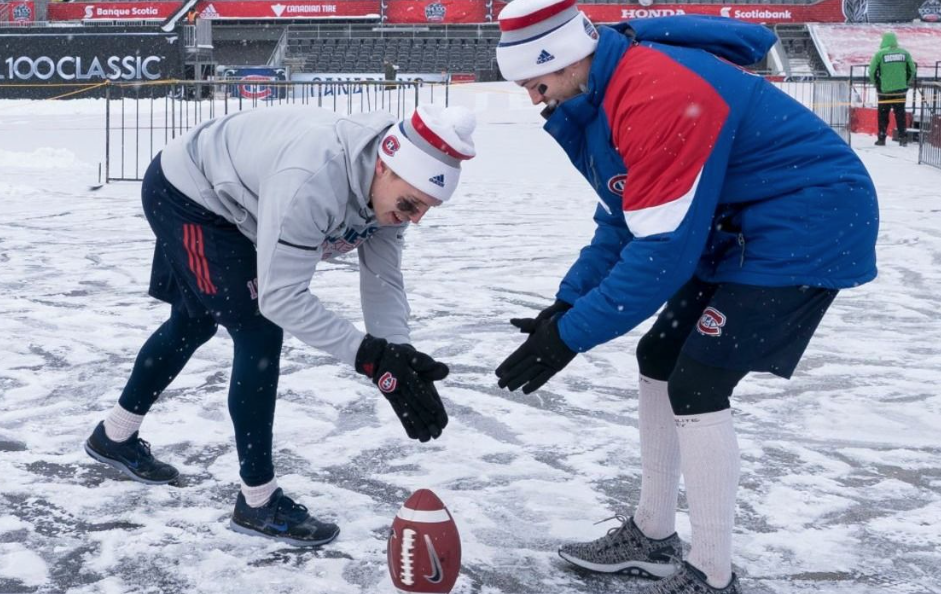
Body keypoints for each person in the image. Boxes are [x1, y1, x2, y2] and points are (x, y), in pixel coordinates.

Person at [492, 1, 878, 592]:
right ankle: (652, 533)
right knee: (659, 357)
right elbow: (625, 220)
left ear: (566, 56)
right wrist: (567, 304)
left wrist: (569, 338)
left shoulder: (655, 91)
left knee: (698, 382)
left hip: (807, 221)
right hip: (735, 225)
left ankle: (712, 572)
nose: (531, 96)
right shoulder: (599, 95)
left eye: (534, 80)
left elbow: (661, 254)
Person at [84, 103, 477, 547]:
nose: (415, 218)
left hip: (243, 202)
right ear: (383, 167)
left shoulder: (389, 188)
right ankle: (257, 502)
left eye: (426, 209)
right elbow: (281, 298)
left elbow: (383, 280)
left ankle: (113, 436)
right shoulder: (311, 181)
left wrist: (399, 357)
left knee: (194, 323)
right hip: (191, 196)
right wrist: (369, 357)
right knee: (258, 331)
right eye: (411, 205)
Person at [868, 32, 916, 146]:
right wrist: (906, 82)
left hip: (885, 91)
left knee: (883, 114)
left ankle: (881, 138)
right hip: (901, 90)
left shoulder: (880, 54)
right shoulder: (904, 53)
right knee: (900, 114)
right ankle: (903, 137)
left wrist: (876, 84)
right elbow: (912, 70)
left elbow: (872, 71)